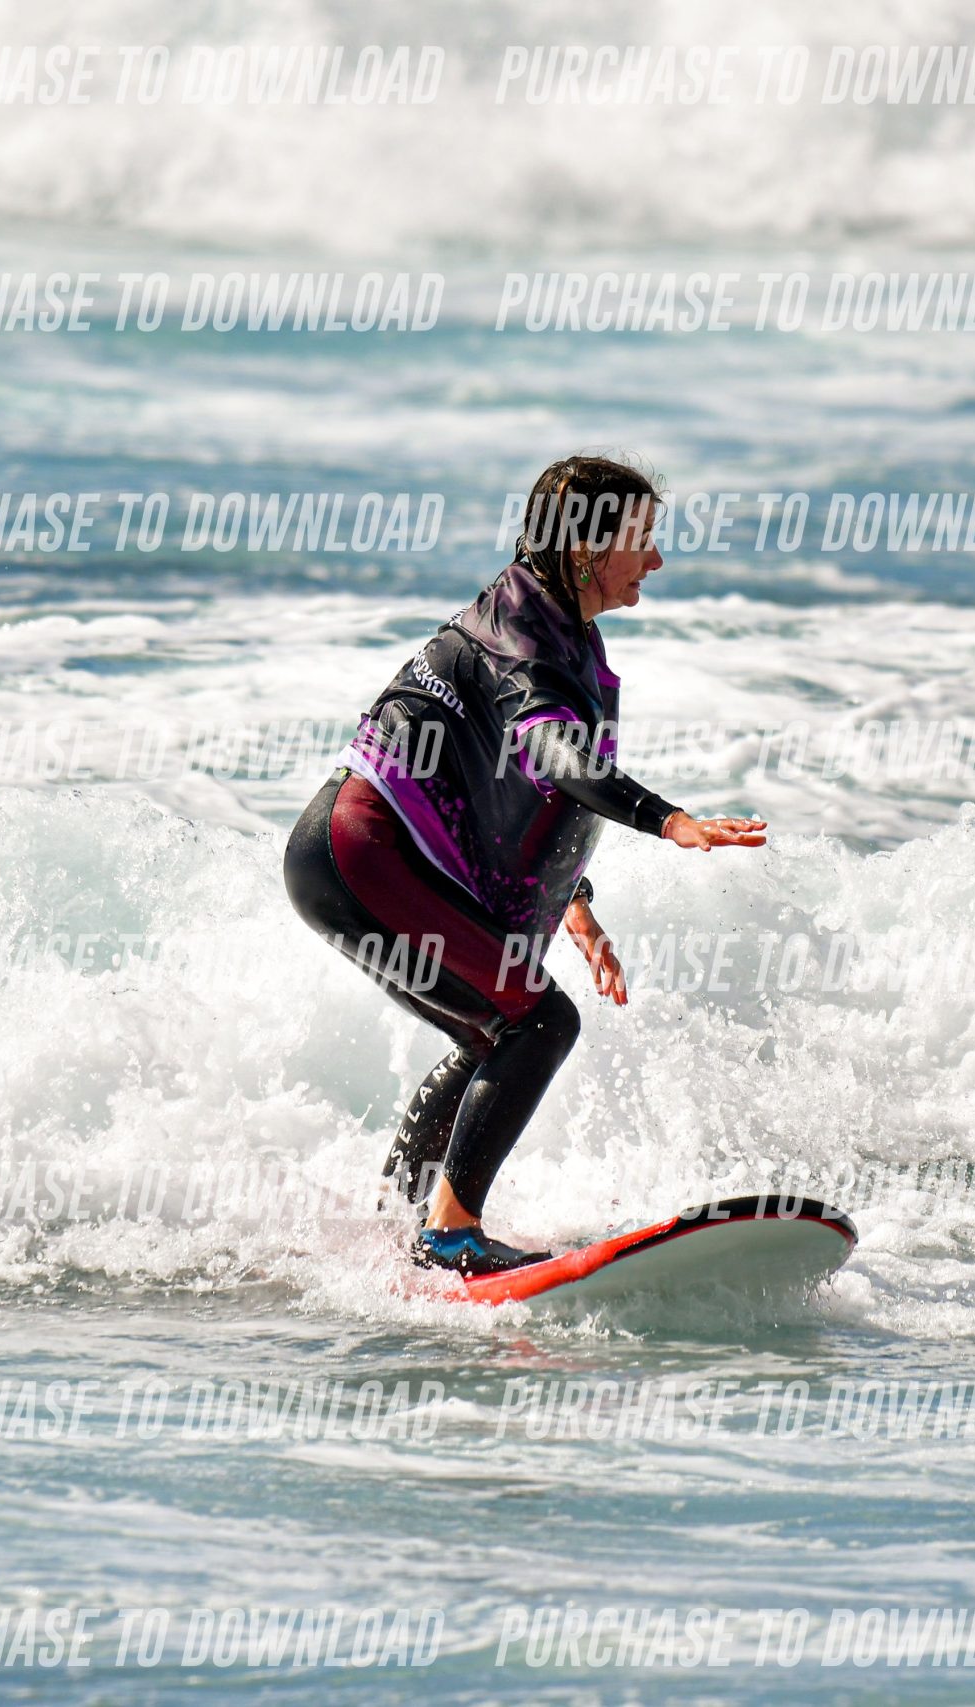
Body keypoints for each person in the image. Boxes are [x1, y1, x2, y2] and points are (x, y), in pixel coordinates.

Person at [284, 455, 767, 1277]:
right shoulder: (525, 634)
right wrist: (668, 819)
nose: (656, 559)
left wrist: (574, 902)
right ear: (584, 547)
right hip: (364, 849)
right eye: (641, 539)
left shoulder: (550, 626)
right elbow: (553, 754)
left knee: (492, 1029)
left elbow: (510, 786)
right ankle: (450, 1236)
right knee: (541, 1021)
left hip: (356, 851)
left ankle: (398, 1229)